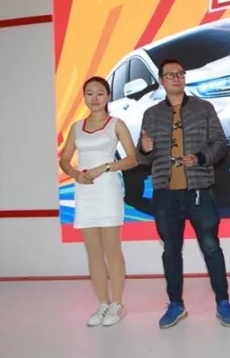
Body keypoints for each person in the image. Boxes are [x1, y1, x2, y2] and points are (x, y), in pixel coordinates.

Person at [137, 59, 230, 329]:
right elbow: (142, 157)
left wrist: (200, 157)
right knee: (171, 251)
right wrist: (145, 149)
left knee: (211, 247)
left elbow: (220, 144)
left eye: (180, 73)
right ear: (161, 80)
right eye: (170, 75)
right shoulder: (151, 114)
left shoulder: (203, 108)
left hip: (199, 190)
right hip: (165, 193)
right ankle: (175, 304)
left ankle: (223, 302)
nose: (176, 78)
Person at [59, 76, 138, 327]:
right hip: (85, 191)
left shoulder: (116, 124)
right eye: (90, 93)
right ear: (84, 96)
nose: (95, 98)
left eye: (100, 93)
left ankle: (117, 304)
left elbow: (132, 158)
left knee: (112, 249)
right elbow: (65, 159)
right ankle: (103, 303)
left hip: (108, 190)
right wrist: (75, 175)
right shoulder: (76, 127)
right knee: (93, 251)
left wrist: (105, 167)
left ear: (108, 96)